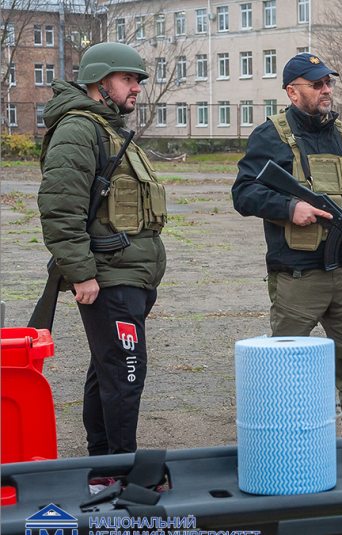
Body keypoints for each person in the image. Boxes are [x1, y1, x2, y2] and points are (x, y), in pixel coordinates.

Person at [233, 53, 342, 436]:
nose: (326, 90)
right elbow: (243, 193)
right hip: (297, 275)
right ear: (291, 91)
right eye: (317, 84)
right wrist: (290, 207)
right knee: (287, 358)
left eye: (328, 83)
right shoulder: (271, 136)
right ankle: (284, 429)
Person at [37, 42, 167, 455]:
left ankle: (102, 465)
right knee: (125, 374)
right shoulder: (79, 129)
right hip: (108, 278)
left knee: (108, 370)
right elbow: (60, 207)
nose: (136, 89)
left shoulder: (106, 128)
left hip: (128, 277)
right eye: (128, 79)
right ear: (100, 82)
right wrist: (82, 272)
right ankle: (121, 473)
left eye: (137, 81)